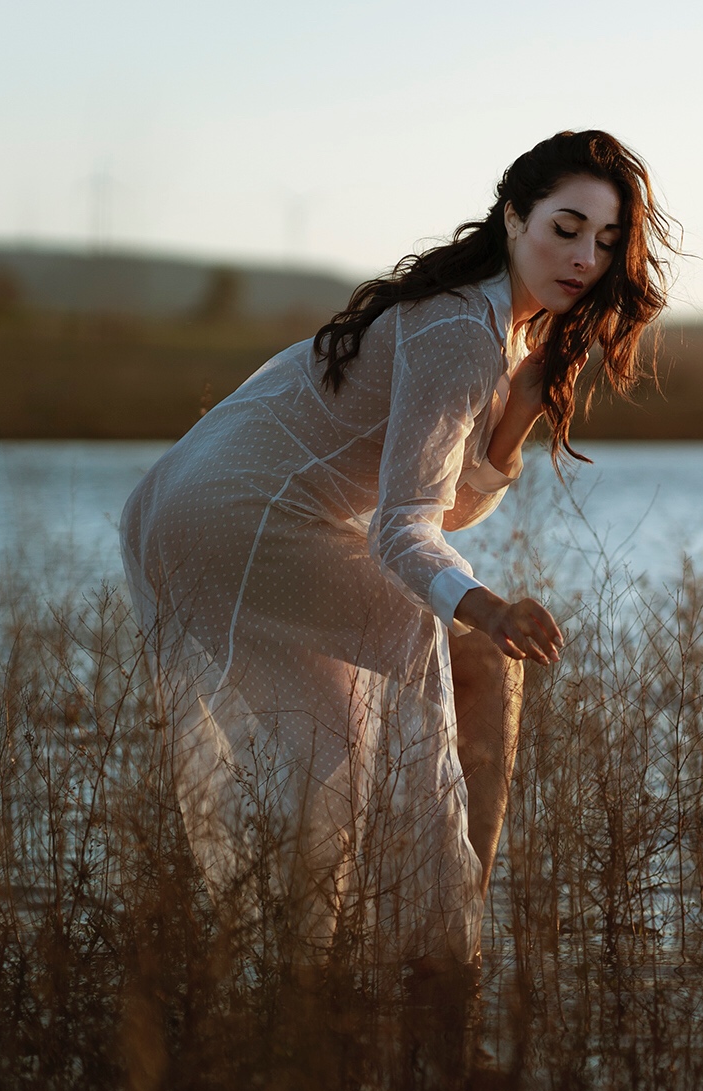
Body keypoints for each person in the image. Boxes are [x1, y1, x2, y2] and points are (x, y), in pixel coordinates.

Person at [120, 130, 674, 965]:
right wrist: (483, 605)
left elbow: (432, 512)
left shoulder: (496, 334)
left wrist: (519, 411)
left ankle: (302, 977)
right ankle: (446, 951)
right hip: (236, 513)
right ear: (514, 216)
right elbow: (400, 529)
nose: (583, 258)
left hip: (191, 508)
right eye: (565, 227)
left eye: (604, 241)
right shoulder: (459, 330)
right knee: (478, 662)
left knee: (328, 744)